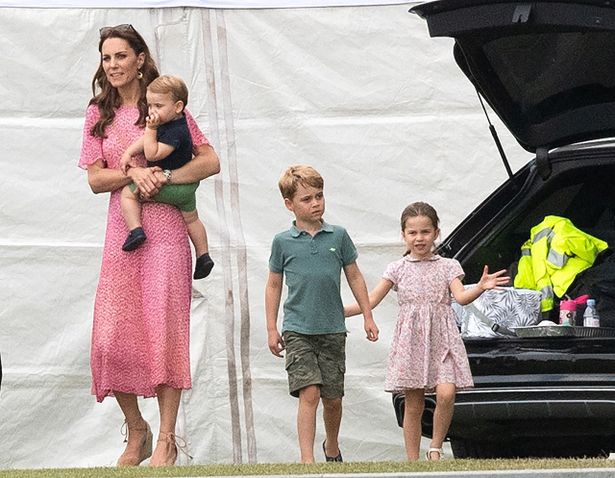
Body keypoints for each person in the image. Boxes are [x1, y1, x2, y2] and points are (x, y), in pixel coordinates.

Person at [78, 24, 220, 467]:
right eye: (106, 58)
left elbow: (210, 160)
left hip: (166, 232)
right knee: (110, 338)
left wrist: (163, 177)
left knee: (163, 331)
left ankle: (167, 438)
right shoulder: (96, 113)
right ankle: (136, 428)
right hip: (122, 233)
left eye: (121, 56)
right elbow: (96, 179)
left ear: (140, 58)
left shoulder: (163, 103)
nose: (113, 65)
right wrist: (133, 175)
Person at [344, 201, 509, 461]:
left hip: (441, 338)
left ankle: (435, 447)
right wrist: (337, 311)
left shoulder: (448, 266)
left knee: (446, 392)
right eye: (412, 233)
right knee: (414, 401)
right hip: (411, 339)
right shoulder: (397, 268)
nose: (419, 238)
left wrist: (480, 286)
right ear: (403, 235)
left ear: (436, 233)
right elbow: (371, 299)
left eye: (425, 232)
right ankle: (412, 459)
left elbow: (461, 297)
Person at [265, 164, 379, 464]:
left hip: (332, 328)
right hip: (297, 329)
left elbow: (354, 276)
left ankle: (331, 446)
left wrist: (367, 315)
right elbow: (274, 285)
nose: (315, 203)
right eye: (306, 199)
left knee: (332, 399)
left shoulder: (338, 237)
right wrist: (271, 328)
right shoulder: (282, 242)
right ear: (289, 204)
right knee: (310, 392)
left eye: (319, 196)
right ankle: (307, 460)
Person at [119, 74, 214, 279]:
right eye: (149, 105)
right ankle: (204, 255)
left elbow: (152, 153)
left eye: (158, 106)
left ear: (178, 107)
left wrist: (150, 129)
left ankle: (136, 230)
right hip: (187, 188)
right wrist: (129, 152)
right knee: (192, 218)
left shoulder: (177, 131)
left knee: (127, 194)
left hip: (170, 186)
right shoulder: (171, 123)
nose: (152, 111)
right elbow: (144, 141)